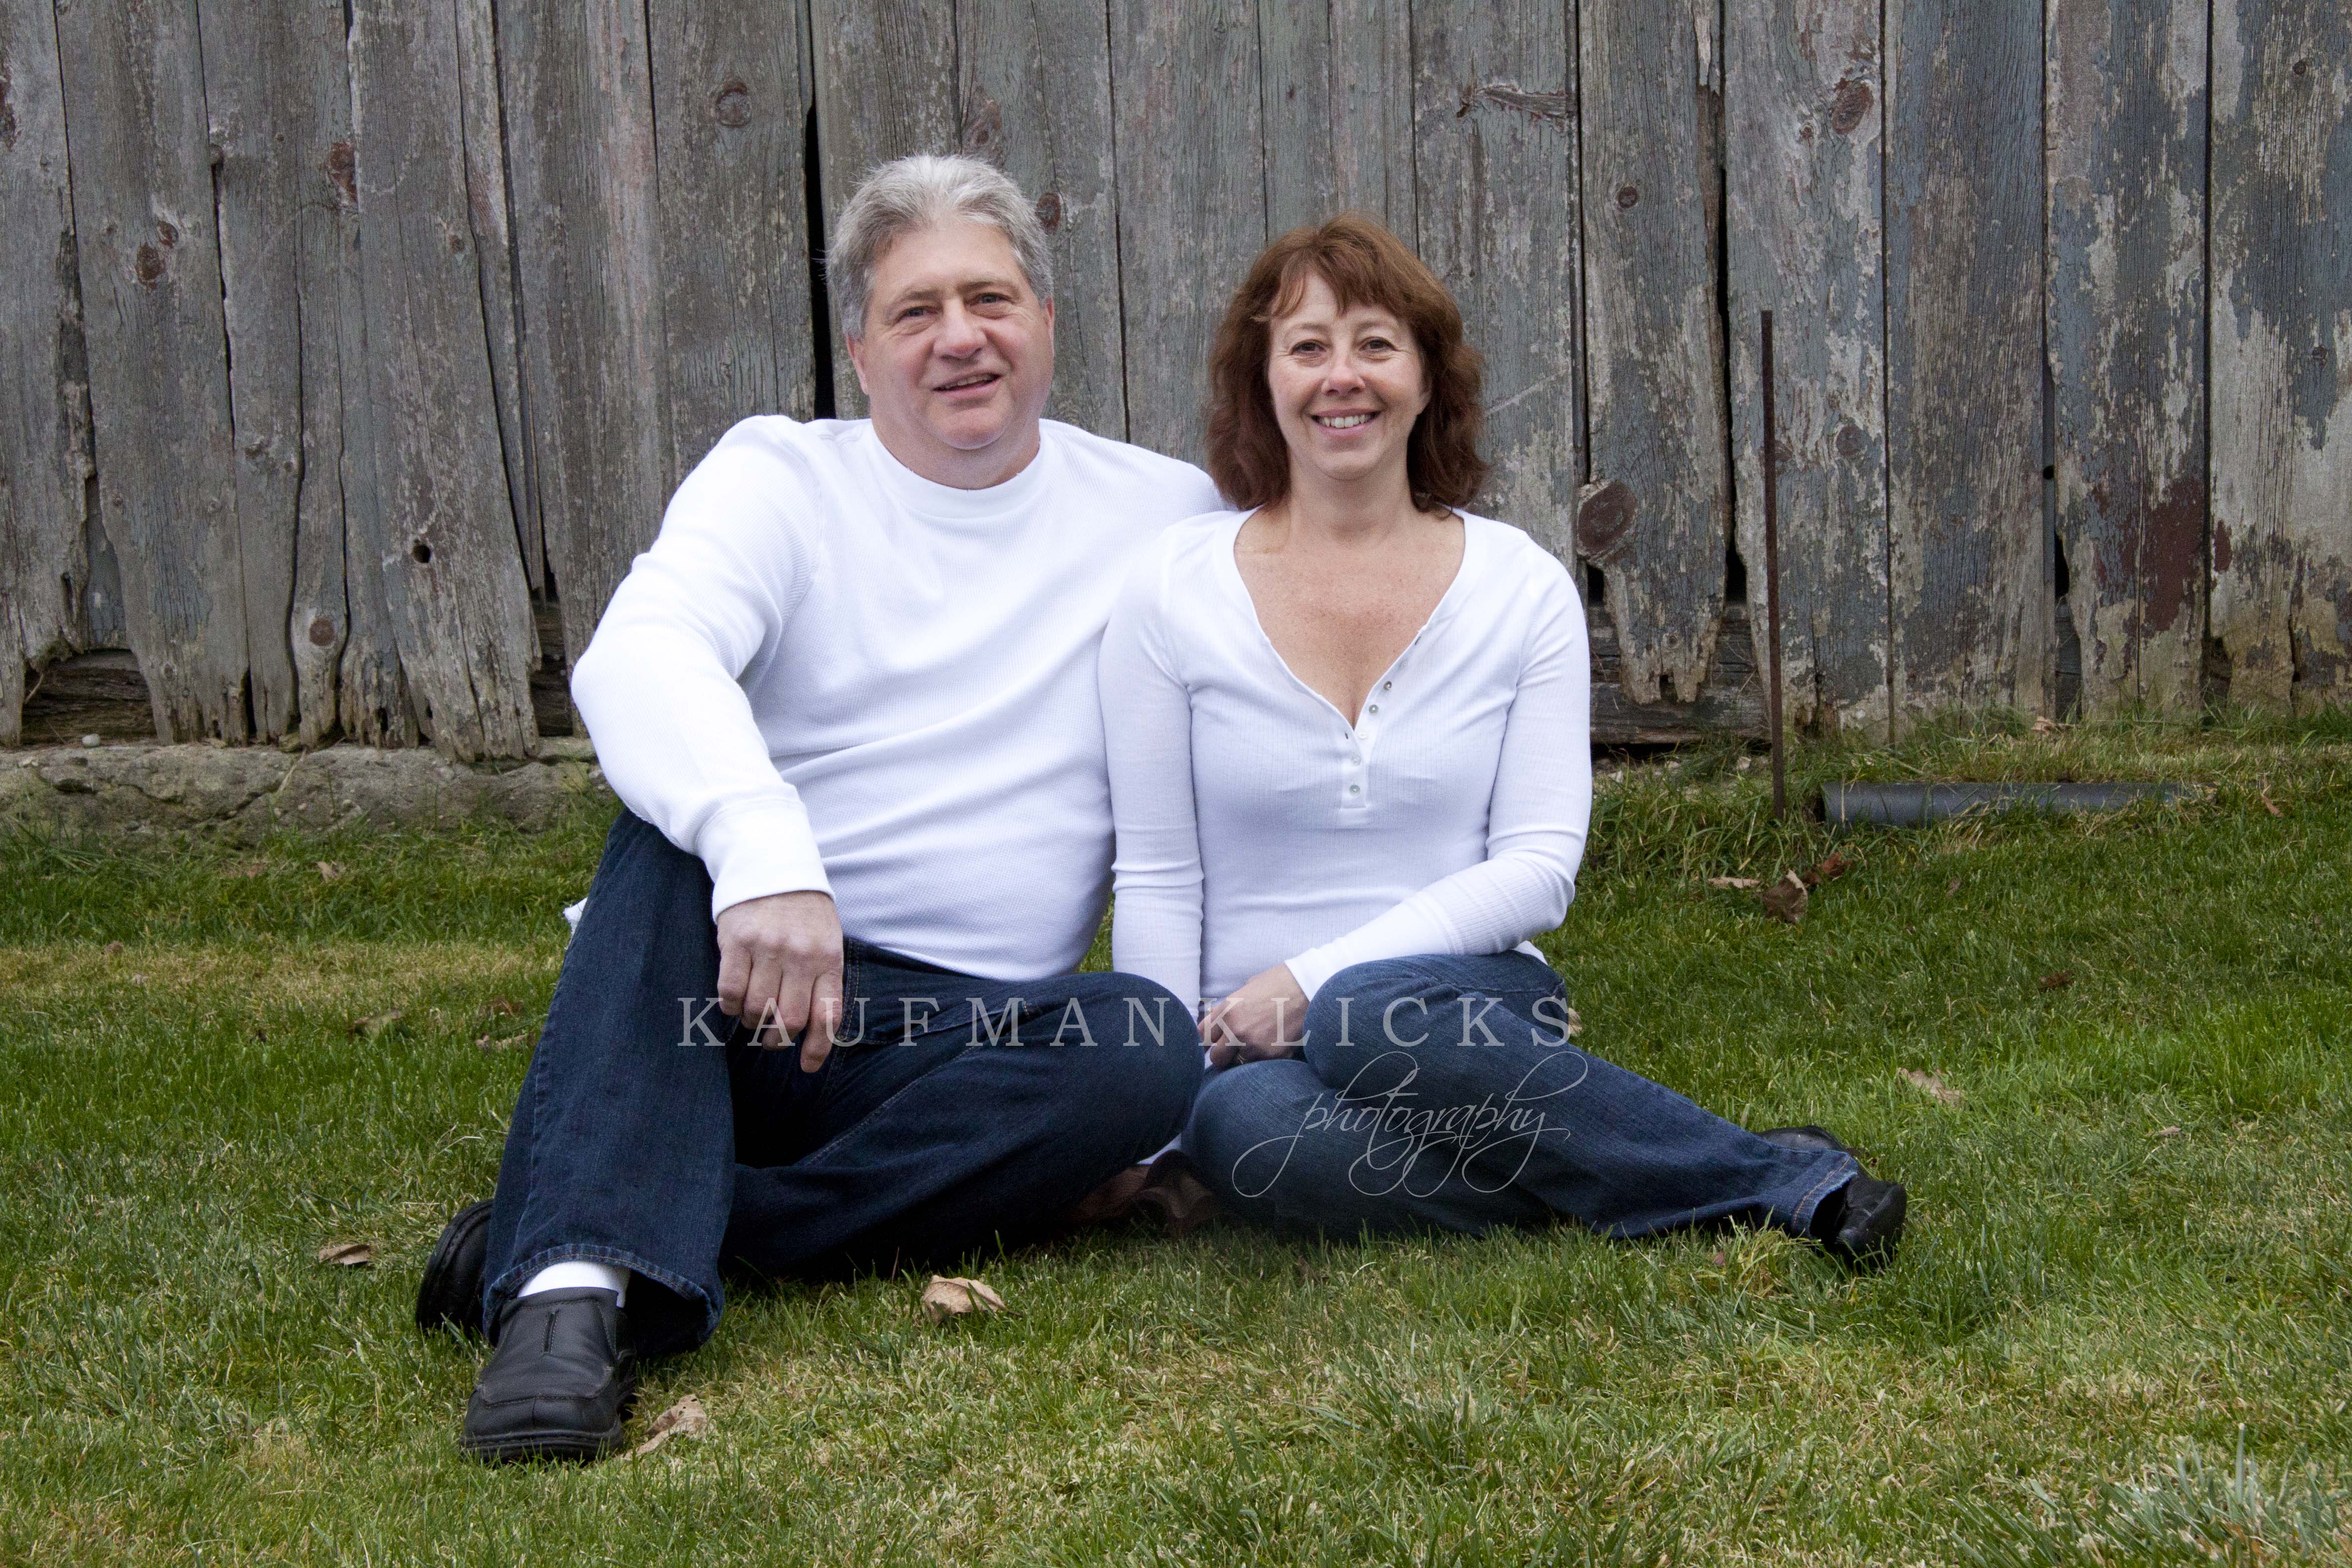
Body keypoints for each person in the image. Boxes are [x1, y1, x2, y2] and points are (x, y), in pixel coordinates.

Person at [416, 154, 1221, 1464]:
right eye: (916, 311)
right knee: (664, 839)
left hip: (955, 1045)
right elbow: (642, 653)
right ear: (859, 350)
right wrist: (766, 850)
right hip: (728, 1008)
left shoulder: (1166, 515)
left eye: (991, 300)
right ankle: (564, 1304)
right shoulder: (781, 479)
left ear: (1047, 321)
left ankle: (637, 1220)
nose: (960, 338)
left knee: (1140, 1046)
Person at [1098, 213, 1908, 1262]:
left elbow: (1537, 872)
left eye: (1376, 344)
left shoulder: (1519, 586)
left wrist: (1311, 979)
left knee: (1357, 1013)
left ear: (1426, 380)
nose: (1342, 376)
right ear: (1264, 380)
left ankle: (1784, 1186)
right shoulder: (1170, 589)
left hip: (1463, 1007)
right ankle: (1699, 1169)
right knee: (1253, 1135)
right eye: (1306, 347)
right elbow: (1159, 875)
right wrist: (1162, 1123)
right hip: (1248, 1055)